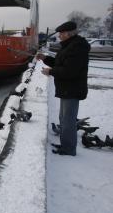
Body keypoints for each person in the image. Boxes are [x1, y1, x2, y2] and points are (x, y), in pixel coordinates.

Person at [36, 21, 90, 156]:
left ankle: (68, 149)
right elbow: (60, 63)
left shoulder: (77, 48)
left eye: (61, 33)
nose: (59, 36)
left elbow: (70, 71)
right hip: (67, 89)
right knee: (64, 119)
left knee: (68, 121)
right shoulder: (70, 46)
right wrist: (45, 58)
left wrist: (51, 72)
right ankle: (65, 145)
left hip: (72, 89)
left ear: (68, 33)